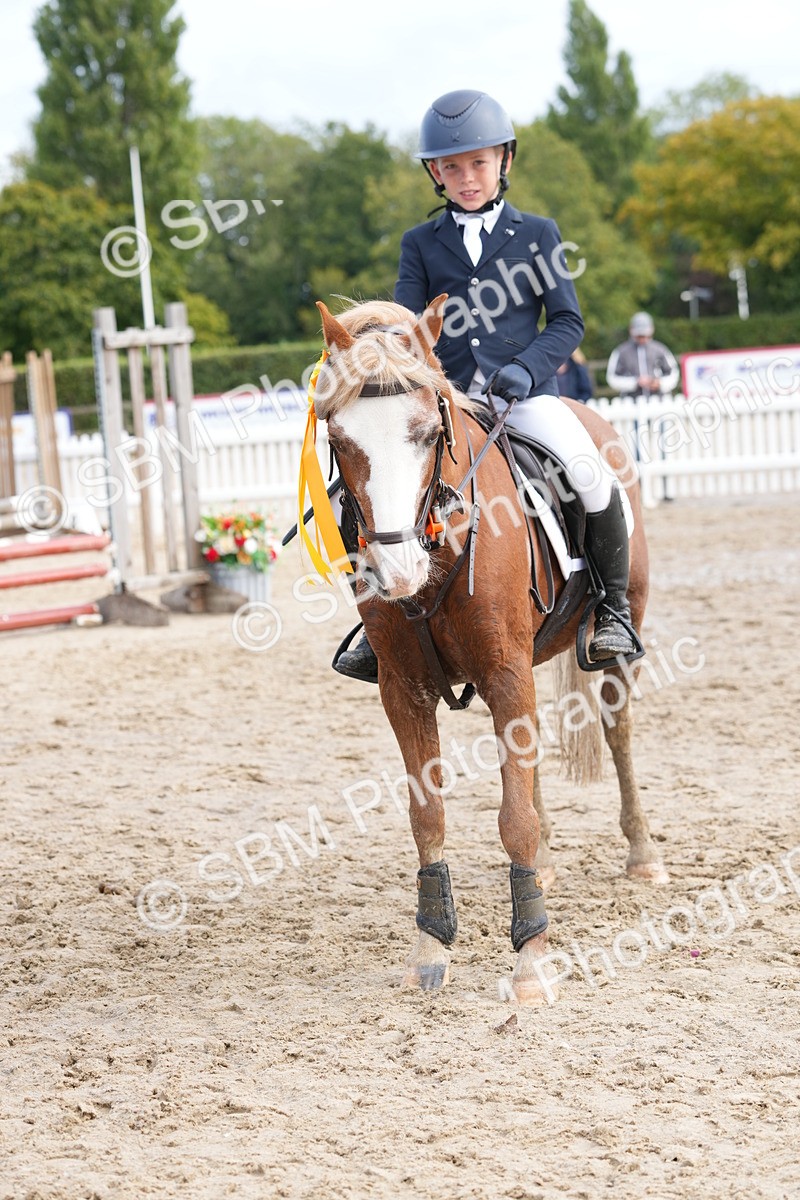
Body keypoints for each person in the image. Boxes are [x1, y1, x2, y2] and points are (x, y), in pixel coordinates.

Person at [335, 89, 637, 683]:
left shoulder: (539, 233)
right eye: (451, 167)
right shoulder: (419, 244)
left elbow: (568, 321)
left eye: (478, 162)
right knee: (364, 482)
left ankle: (613, 610)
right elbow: (406, 325)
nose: (466, 177)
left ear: (504, 160)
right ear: (435, 174)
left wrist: (528, 366)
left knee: (587, 470)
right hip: (447, 402)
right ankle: (379, 626)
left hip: (523, 396)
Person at [606, 313, 679, 397]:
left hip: (658, 400)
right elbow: (612, 377)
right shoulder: (621, 352)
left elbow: (673, 373)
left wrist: (660, 383)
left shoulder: (661, 350)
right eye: (639, 335)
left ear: (651, 330)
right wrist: (635, 382)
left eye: (644, 335)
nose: (642, 338)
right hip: (631, 402)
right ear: (631, 330)